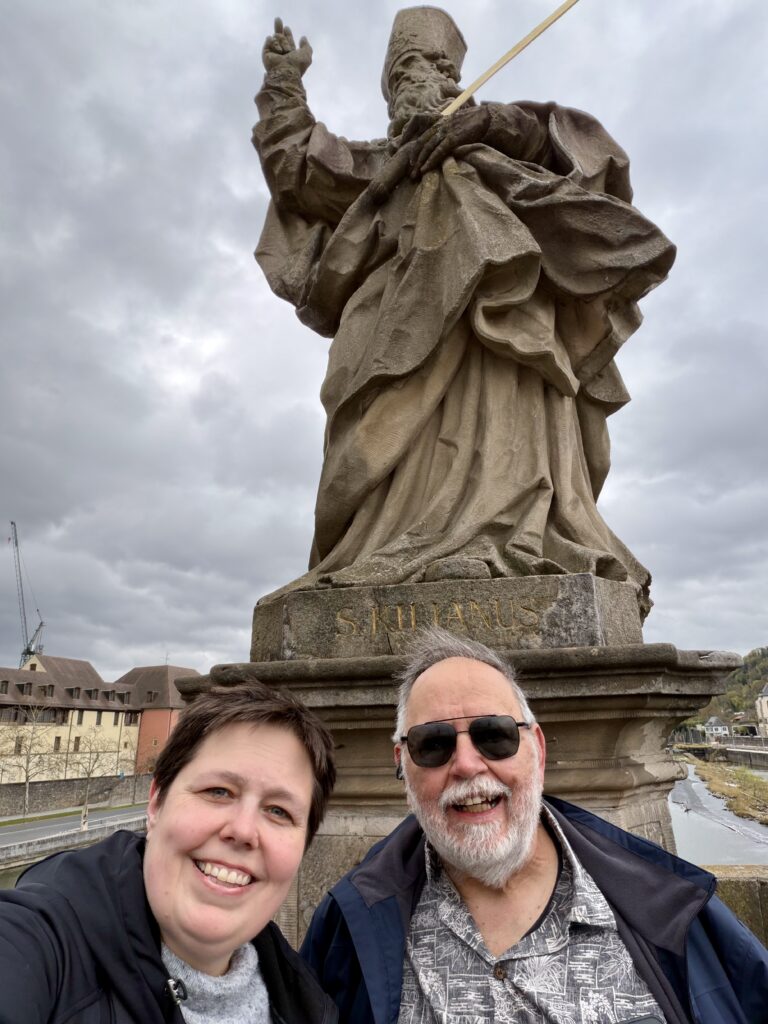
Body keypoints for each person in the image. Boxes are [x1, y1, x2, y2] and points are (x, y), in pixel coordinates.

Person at [252, 8, 676, 617]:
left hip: (499, 332)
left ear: (457, 80)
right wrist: (284, 85)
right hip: (394, 327)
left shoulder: (503, 141)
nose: (421, 80)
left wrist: (495, 127)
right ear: (389, 89)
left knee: (507, 391)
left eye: (434, 67)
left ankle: (507, 533)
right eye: (404, 71)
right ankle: (391, 543)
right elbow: (298, 170)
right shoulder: (376, 165)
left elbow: (589, 155)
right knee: (376, 439)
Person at [301, 627, 768, 1023]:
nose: (467, 764)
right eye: (433, 744)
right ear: (403, 763)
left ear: (537, 748)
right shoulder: (349, 923)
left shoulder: (671, 907)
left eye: (495, 736)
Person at [0, 681, 338, 1023]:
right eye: (218, 791)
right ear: (156, 803)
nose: (243, 831)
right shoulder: (39, 944)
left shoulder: (312, 1006)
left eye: (279, 811)